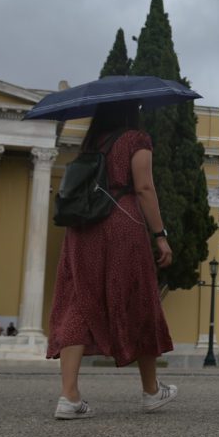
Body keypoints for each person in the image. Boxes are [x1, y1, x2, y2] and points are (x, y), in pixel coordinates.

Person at [46, 100, 176, 420]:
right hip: (121, 223)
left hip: (82, 227)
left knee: (78, 301)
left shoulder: (91, 142)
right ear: (132, 110)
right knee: (138, 299)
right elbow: (144, 187)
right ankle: (150, 391)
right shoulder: (136, 139)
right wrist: (160, 234)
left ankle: (69, 397)